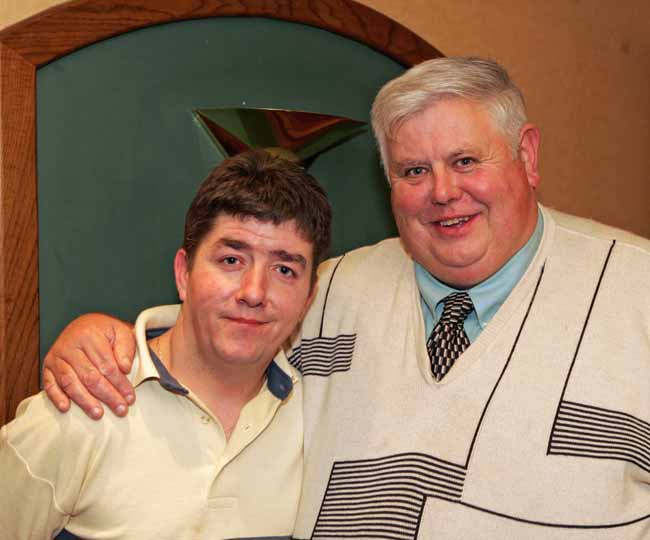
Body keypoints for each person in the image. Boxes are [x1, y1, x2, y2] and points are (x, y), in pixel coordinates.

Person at [40, 57, 650, 539]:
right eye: (413, 171)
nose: (442, 192)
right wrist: (107, 337)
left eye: (465, 160)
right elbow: (233, 330)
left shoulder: (636, 291)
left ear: (527, 156)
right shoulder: (331, 289)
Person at [0, 150, 332, 539]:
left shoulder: (316, 424)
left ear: (308, 298)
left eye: (284, 270)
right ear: (183, 273)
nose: (254, 292)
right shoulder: (80, 408)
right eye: (231, 260)